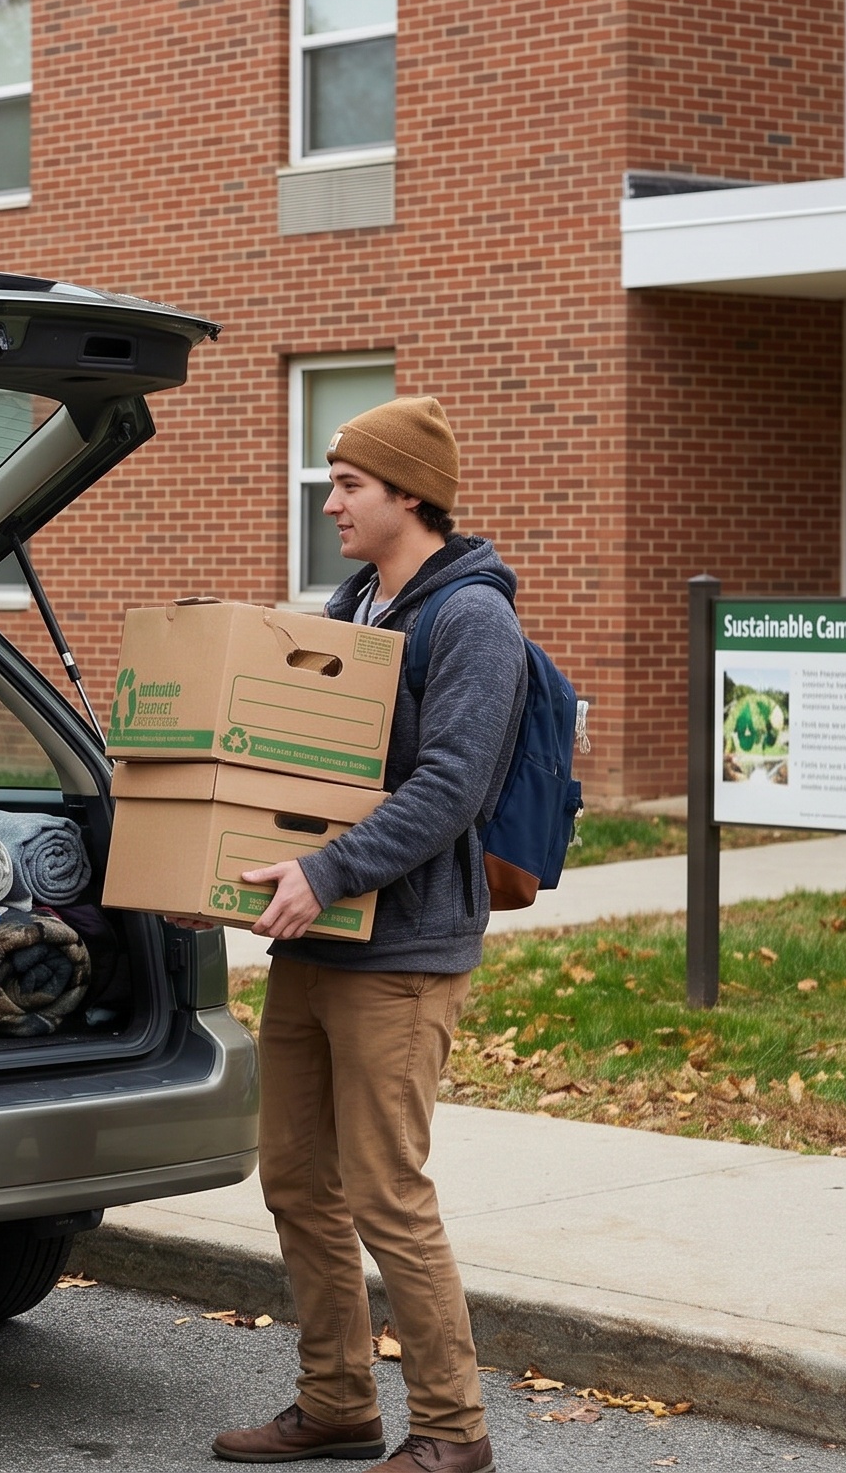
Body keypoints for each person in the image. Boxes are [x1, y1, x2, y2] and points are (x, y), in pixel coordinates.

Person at [204, 397, 523, 1473]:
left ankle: (450, 1430)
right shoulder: (356, 602)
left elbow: (451, 787)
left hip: (403, 955)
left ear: (410, 495)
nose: (328, 500)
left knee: (387, 1192)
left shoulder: (470, 618)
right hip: (317, 943)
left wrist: (326, 869)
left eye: (347, 484)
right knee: (293, 1177)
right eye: (332, 480)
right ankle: (338, 1402)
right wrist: (213, 863)